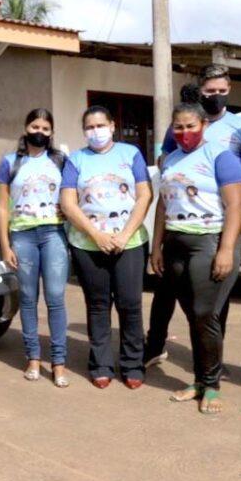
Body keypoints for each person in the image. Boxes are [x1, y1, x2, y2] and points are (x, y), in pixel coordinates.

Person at [144, 66, 241, 366]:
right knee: (168, 293)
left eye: (221, 91)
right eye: (210, 90)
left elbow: (239, 191)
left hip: (215, 223)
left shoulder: (240, 128)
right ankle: (155, 345)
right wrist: (157, 245)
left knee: (210, 304)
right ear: (200, 90)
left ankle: (212, 362)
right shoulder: (178, 133)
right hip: (178, 225)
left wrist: (229, 243)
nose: (216, 95)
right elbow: (166, 167)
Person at [152, 102, 241, 414]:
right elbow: (163, 205)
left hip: (209, 242)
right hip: (175, 243)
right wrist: (156, 247)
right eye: (178, 127)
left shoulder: (221, 156)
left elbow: (236, 205)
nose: (184, 132)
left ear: (204, 125)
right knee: (193, 316)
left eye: (190, 126)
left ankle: (212, 386)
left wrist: (226, 249)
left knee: (206, 315)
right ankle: (199, 381)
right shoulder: (171, 159)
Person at [63, 106, 153, 389]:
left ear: (113, 126)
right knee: (98, 305)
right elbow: (68, 202)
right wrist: (96, 235)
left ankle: (132, 364)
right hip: (88, 245)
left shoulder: (131, 154)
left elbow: (144, 195)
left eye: (100, 125)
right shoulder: (76, 159)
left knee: (130, 304)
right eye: (89, 127)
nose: (96, 131)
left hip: (130, 242)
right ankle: (100, 364)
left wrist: (125, 234)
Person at [0, 109, 75, 387]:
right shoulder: (10, 162)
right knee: (28, 299)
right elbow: (2, 207)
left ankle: (59, 362)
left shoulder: (60, 161)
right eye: (34, 126)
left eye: (45, 128)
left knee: (55, 298)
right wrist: (5, 244)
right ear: (26, 128)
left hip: (53, 234)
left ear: (51, 133)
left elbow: (73, 196)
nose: (39, 132)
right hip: (23, 236)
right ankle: (32, 357)